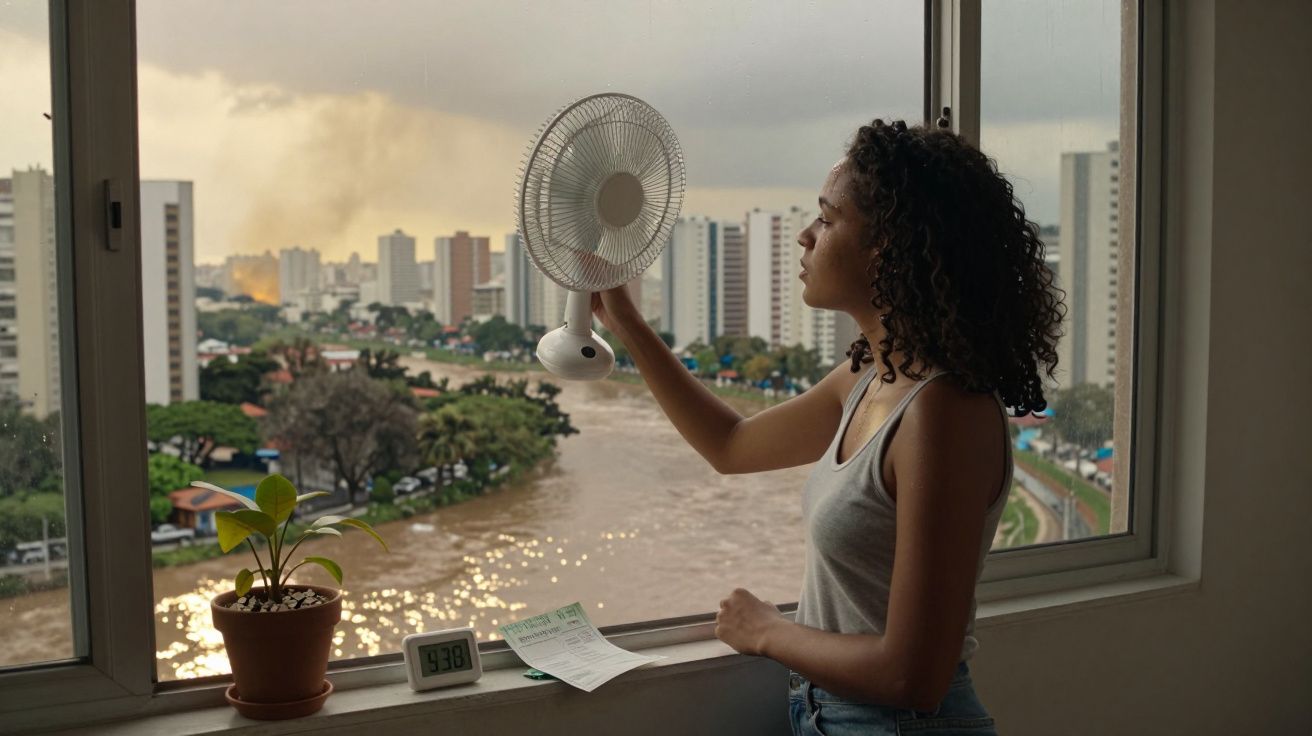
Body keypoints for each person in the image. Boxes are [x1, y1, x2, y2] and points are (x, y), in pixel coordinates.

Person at [591, 118, 1064, 735]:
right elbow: (730, 447)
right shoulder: (869, 374)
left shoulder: (943, 414)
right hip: (829, 717)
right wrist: (625, 320)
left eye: (827, 218)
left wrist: (768, 631)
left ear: (888, 244)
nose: (805, 237)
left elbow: (914, 675)